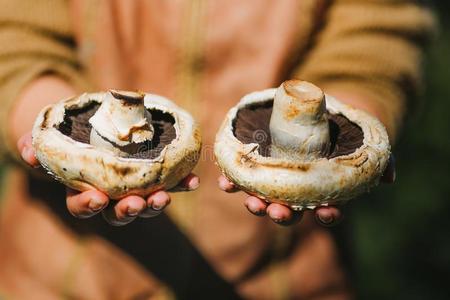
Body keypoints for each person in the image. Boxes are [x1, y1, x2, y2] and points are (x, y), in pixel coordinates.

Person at [0, 0, 434, 299]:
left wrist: (355, 130)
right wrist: (41, 129)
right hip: (58, 280)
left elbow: (376, 36)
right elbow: (17, 39)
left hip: (283, 278)